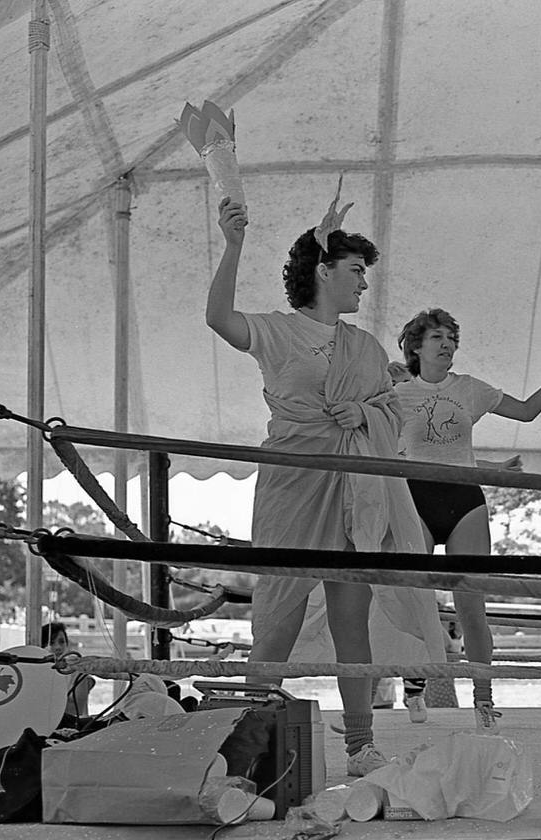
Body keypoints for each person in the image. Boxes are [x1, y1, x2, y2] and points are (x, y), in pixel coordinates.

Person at [205, 190, 426, 778]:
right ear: (322, 270)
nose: (363, 284)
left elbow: (391, 410)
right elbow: (218, 319)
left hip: (355, 489)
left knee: (351, 620)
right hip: (292, 484)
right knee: (277, 616)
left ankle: (360, 746)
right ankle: (245, 751)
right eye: (355, 271)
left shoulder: (366, 346)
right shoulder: (276, 332)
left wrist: (368, 415)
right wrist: (234, 244)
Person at [394, 307, 541, 733]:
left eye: (452, 338)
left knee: (472, 605)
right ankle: (413, 683)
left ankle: (484, 698)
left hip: (464, 499)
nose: (447, 345)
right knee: (415, 601)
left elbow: (527, 412)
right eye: (437, 337)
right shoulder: (396, 394)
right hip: (414, 497)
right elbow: (388, 448)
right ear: (415, 347)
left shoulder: (471, 389)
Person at [41, 621, 94, 726]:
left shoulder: (77, 671)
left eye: (62, 642)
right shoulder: (35, 673)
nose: (58, 647)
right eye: (51, 643)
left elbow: (77, 708)